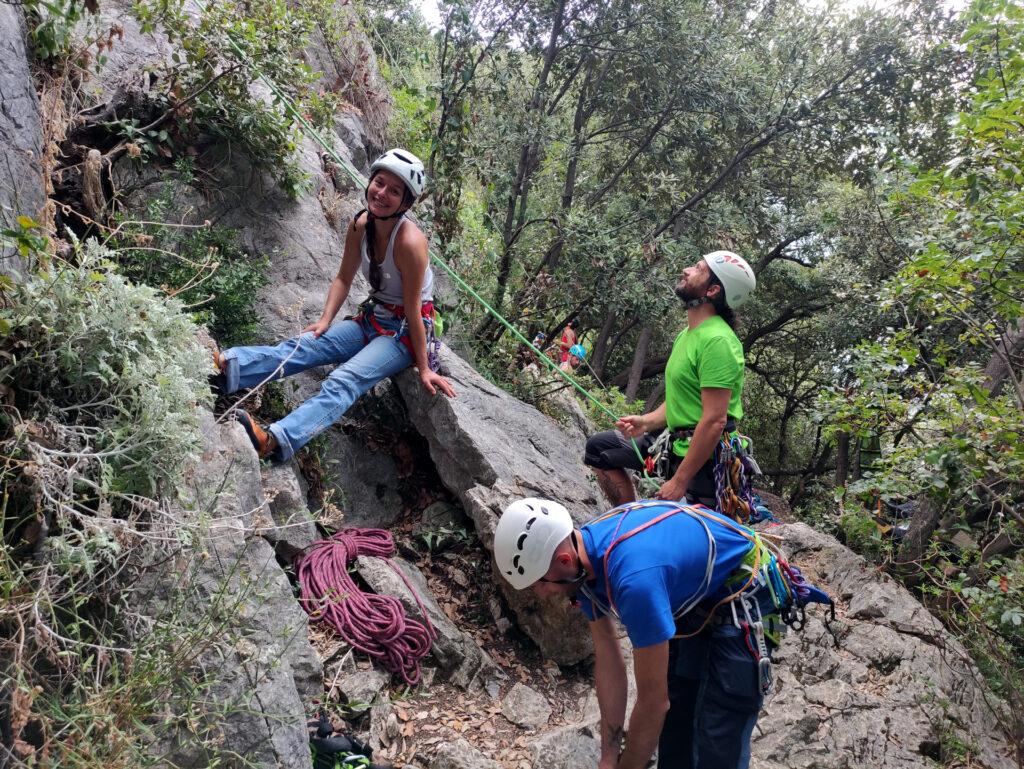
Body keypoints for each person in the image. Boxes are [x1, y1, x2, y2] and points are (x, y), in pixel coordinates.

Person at [494, 497, 795, 769]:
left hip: (750, 591)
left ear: (563, 561)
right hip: (695, 594)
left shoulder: (634, 581)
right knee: (677, 720)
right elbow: (609, 661)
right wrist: (609, 757)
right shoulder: (583, 561)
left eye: (541, 583)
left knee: (718, 735)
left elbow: (653, 702)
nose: (542, 594)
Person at [210, 149, 455, 461]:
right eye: (379, 183)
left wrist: (424, 368)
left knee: (345, 380)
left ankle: (274, 441)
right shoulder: (361, 225)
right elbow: (343, 278)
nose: (382, 194)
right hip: (375, 317)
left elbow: (412, 309)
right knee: (306, 344)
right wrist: (325, 321)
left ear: (406, 204)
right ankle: (229, 370)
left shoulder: (410, 243)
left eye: (394, 191)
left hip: (404, 332)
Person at [583, 250, 755, 507]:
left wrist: (680, 481)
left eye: (698, 269)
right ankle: (626, 520)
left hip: (706, 462)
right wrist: (646, 422)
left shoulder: (718, 341)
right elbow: (681, 401)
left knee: (685, 536)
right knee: (599, 449)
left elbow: (714, 420)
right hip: (675, 443)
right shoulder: (687, 334)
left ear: (713, 291)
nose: (686, 270)